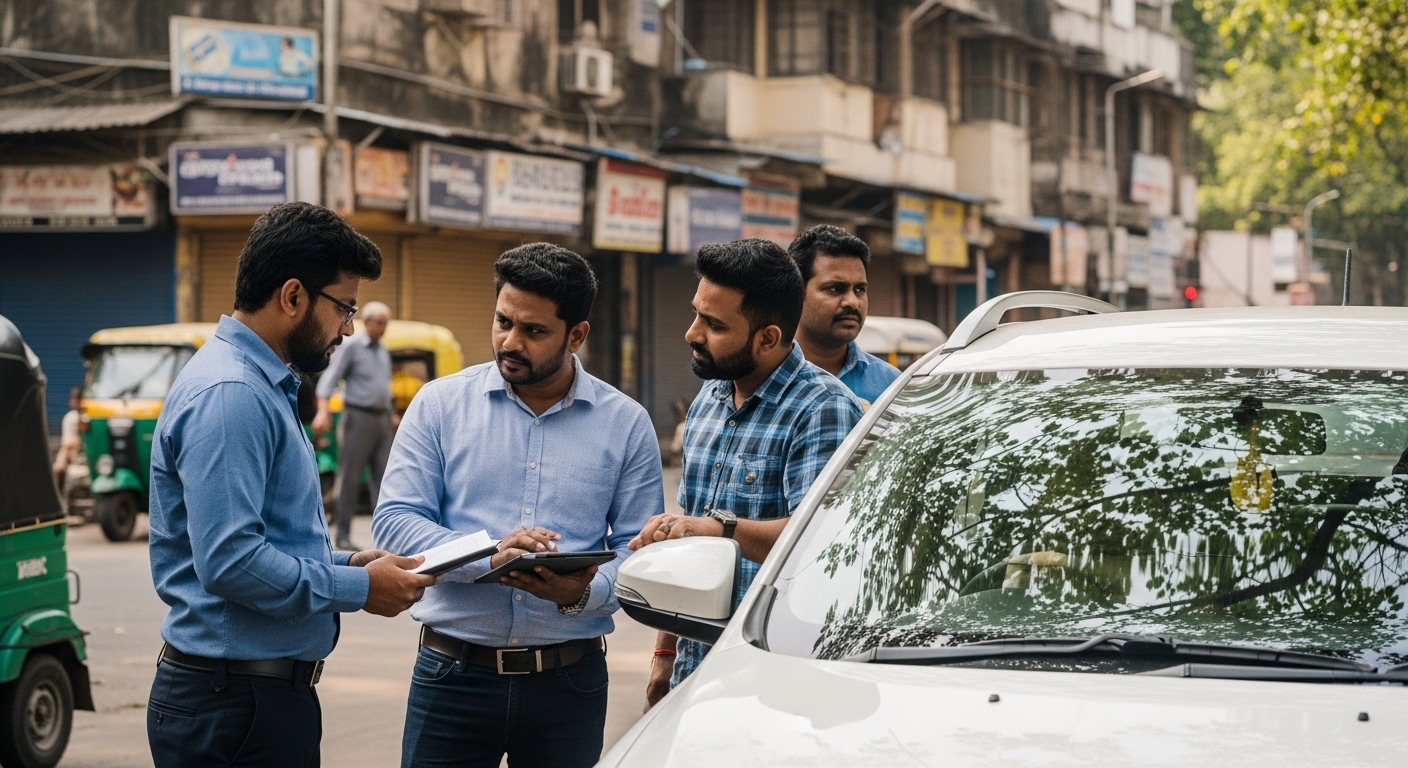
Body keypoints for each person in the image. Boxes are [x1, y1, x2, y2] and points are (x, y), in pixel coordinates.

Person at [145, 202, 435, 768]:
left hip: (250, 698)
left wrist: (349, 565)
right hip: (232, 704)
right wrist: (357, 590)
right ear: (293, 296)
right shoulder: (233, 393)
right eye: (343, 308)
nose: (347, 329)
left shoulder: (262, 383)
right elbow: (230, 561)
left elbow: (268, 537)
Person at [373, 243, 663, 768]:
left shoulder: (626, 424)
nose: (510, 341)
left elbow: (637, 551)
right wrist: (490, 555)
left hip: (569, 684)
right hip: (451, 674)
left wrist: (583, 591)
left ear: (577, 335)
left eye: (533, 331)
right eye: (503, 321)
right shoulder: (439, 406)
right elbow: (395, 522)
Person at [630, 238, 863, 708]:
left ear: (768, 338)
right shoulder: (708, 400)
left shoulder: (823, 408)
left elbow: (821, 541)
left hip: (774, 679)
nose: (692, 333)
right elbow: (687, 543)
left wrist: (720, 529)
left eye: (714, 324)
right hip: (694, 673)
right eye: (697, 313)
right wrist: (664, 652)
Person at [313, 300, 393, 551]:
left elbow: (382, 388)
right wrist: (323, 412)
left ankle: (387, 537)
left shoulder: (383, 351)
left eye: (385, 324)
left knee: (385, 479)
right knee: (349, 478)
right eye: (379, 323)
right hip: (357, 418)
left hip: (382, 419)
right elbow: (329, 380)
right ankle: (343, 535)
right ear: (367, 322)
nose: (382, 328)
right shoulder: (353, 348)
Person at [789, 225, 900, 405]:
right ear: (796, 292)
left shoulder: (891, 386)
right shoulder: (762, 376)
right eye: (835, 288)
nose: (852, 302)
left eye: (859, 289)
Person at [52, 386, 83, 487]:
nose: (72, 402)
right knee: (57, 470)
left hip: (79, 453)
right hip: (69, 452)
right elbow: (66, 443)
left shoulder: (87, 418)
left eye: (75, 399)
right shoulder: (70, 417)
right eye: (72, 399)